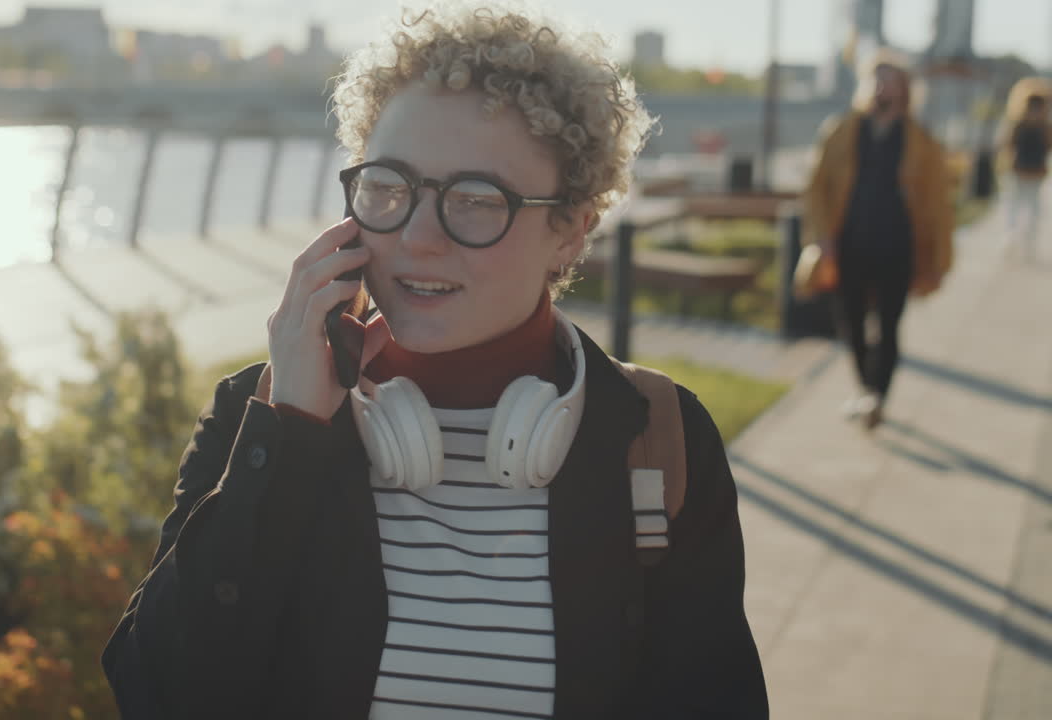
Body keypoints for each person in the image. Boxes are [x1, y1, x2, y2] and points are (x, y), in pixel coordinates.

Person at [102, 4, 768, 717]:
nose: (419, 236)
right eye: (389, 186)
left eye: (477, 199)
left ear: (571, 231)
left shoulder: (654, 439)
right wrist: (289, 435)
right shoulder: (258, 417)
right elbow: (156, 693)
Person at [803, 51, 954, 430]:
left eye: (891, 79)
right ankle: (865, 387)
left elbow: (937, 202)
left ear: (905, 89)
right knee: (851, 322)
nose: (882, 86)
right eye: (876, 78)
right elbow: (817, 187)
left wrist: (937, 257)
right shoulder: (841, 131)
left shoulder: (921, 140)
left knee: (888, 325)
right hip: (850, 244)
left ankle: (877, 397)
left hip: (898, 247)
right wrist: (823, 238)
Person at [998, 77, 1052, 263]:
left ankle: (1029, 242)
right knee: (1013, 206)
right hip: (1018, 171)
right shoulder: (1017, 125)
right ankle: (1011, 238)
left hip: (1036, 173)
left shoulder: (1045, 128)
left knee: (1034, 209)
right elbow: (1007, 145)